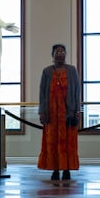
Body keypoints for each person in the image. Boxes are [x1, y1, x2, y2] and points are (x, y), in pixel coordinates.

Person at [38, 44, 81, 181]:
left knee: (68, 142)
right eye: (57, 52)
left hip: (68, 113)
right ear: (53, 55)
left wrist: (77, 110)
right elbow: (42, 94)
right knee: (52, 142)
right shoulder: (47, 72)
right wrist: (42, 112)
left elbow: (76, 92)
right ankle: (55, 170)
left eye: (63, 51)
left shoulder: (72, 70)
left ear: (66, 54)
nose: (60, 54)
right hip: (51, 114)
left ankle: (67, 170)